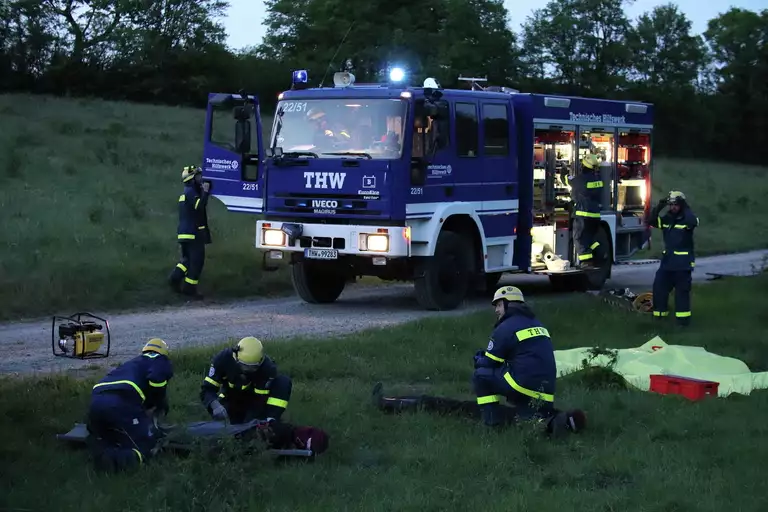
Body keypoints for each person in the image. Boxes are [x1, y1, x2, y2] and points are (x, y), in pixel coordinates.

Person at [373, 286, 586, 437]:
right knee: (526, 413)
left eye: (498, 305)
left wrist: (479, 359)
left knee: (481, 376)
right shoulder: (538, 324)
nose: (496, 310)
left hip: (522, 386)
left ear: (508, 304)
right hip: (545, 392)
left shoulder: (506, 327)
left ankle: (490, 423)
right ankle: (553, 422)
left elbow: (488, 365)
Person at [86, 338, 173, 471]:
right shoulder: (160, 360)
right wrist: (159, 403)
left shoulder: (132, 363)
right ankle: (118, 462)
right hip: (121, 401)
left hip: (96, 399)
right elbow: (156, 380)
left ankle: (100, 454)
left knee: (108, 436)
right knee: (146, 445)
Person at [200, 336, 293, 425]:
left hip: (254, 401)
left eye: (252, 367)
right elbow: (207, 389)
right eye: (243, 366)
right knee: (227, 423)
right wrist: (214, 404)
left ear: (260, 361)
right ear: (236, 357)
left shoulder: (267, 368)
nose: (246, 370)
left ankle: (271, 421)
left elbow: (260, 400)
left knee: (283, 382)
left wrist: (259, 419)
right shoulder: (223, 360)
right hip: (230, 398)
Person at [649, 190, 699, 326]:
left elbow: (693, 221)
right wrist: (660, 205)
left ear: (682, 205)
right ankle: (659, 318)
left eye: (676, 205)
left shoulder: (688, 219)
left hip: (683, 264)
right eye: (671, 205)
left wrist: (685, 206)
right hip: (667, 263)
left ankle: (682, 323)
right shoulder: (667, 219)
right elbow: (652, 220)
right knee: (659, 289)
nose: (673, 207)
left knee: (681, 294)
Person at [168, 165, 211, 299]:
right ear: (192, 179)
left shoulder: (186, 192)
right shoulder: (191, 192)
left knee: (186, 260)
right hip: (193, 234)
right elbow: (199, 206)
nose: (201, 179)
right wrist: (205, 192)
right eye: (198, 177)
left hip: (185, 233)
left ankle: (175, 278)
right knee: (196, 262)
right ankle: (189, 288)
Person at [564, 153, 604, 267]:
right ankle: (600, 252)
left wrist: (563, 172)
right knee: (590, 239)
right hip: (595, 215)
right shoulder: (598, 179)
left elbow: (568, 180)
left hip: (583, 215)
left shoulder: (580, 180)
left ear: (583, 166)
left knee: (579, 238)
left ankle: (586, 262)